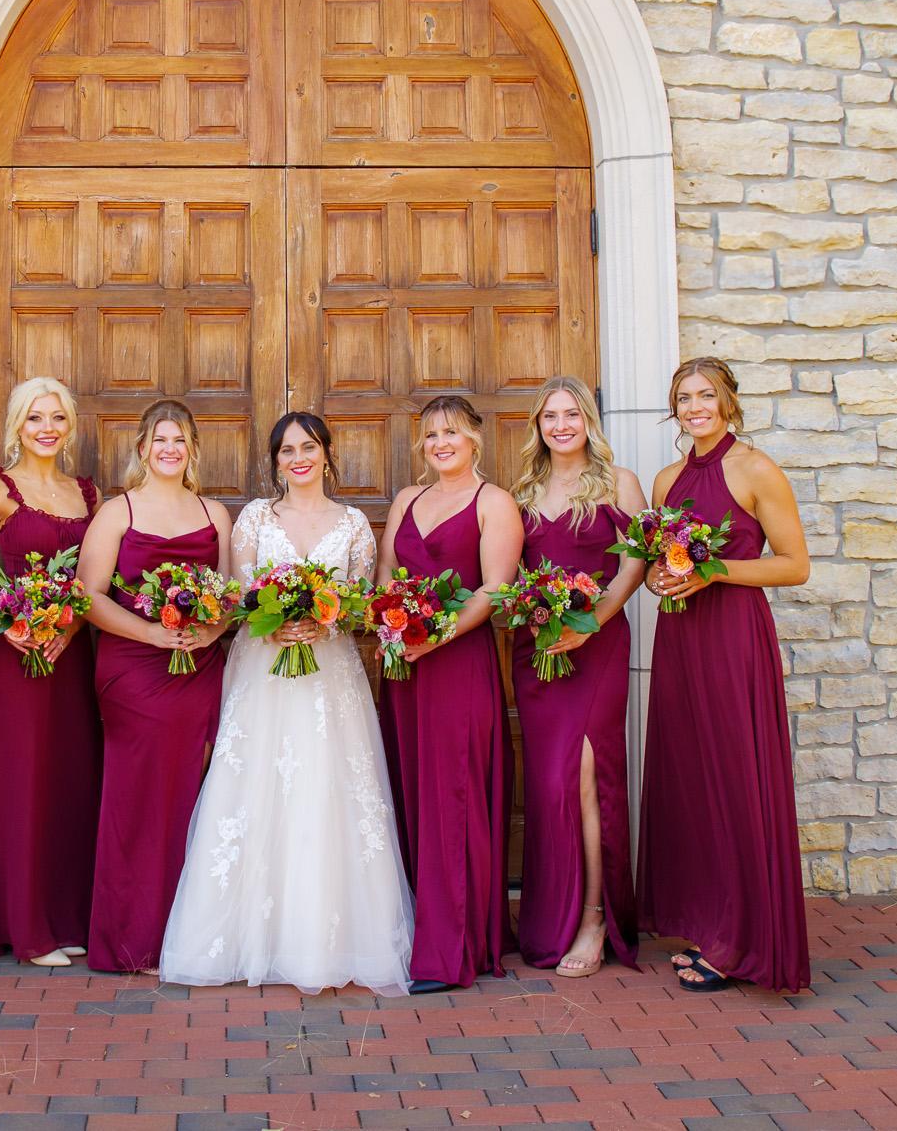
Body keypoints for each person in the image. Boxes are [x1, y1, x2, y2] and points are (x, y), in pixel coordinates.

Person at [161, 411, 414, 994]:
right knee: (255, 789)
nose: (298, 458)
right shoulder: (255, 517)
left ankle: (323, 941)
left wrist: (326, 620)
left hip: (329, 676)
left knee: (327, 791)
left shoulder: (353, 523)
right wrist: (272, 622)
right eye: (286, 450)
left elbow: (360, 601)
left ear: (327, 453)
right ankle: (248, 936)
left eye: (309, 447)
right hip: (264, 673)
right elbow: (237, 594)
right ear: (275, 461)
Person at [637, 356, 812, 994]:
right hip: (681, 637)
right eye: (684, 398)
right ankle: (709, 924)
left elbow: (794, 565)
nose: (695, 408)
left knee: (736, 779)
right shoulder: (666, 480)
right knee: (692, 779)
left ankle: (743, 941)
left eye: (706, 395)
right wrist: (662, 578)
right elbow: (660, 566)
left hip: (735, 638)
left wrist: (714, 572)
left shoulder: (757, 469)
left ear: (728, 402)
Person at [0, 377, 102, 967]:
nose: (47, 428)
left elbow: (93, 581)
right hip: (11, 657)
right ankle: (26, 929)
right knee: (17, 780)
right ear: (17, 425)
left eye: (57, 417)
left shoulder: (88, 494)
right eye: (35, 418)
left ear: (70, 425)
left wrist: (68, 629)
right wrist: (9, 625)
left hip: (68, 655)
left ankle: (64, 917)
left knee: (66, 780)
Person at [77, 400, 233, 975]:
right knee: (138, 797)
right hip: (134, 669)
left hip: (198, 668)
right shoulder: (118, 512)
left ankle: (183, 935)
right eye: (160, 439)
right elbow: (88, 596)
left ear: (192, 449)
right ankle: (130, 938)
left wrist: (210, 628)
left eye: (180, 440)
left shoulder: (214, 513)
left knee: (191, 794)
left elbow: (232, 594)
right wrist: (151, 633)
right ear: (143, 448)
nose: (170, 449)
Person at [377, 395, 524, 994]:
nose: (441, 443)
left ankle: (452, 950)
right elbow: (386, 575)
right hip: (405, 670)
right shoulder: (406, 501)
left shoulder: (494, 503)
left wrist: (433, 635)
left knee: (452, 799)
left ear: (474, 439)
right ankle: (417, 930)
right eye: (432, 434)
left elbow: (493, 590)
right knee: (412, 793)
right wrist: (393, 627)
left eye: (452, 432)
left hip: (458, 665)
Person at [510, 377, 648, 978]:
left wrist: (591, 623)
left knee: (588, 778)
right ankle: (551, 917)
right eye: (550, 416)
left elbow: (635, 562)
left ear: (589, 420)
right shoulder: (522, 491)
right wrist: (537, 613)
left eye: (571, 414)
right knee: (550, 784)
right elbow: (512, 571)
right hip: (539, 649)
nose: (561, 426)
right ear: (538, 426)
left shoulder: (619, 483)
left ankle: (595, 918)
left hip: (598, 643)